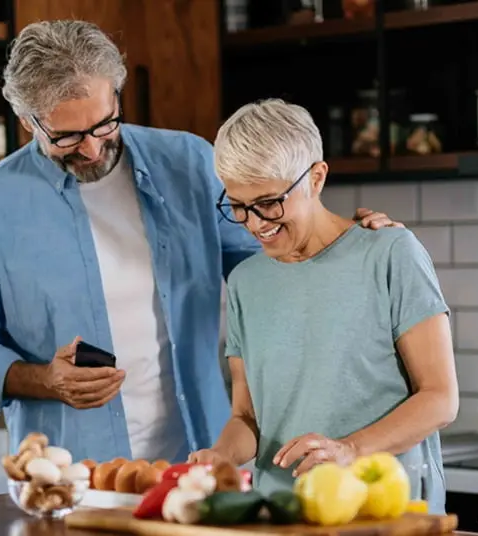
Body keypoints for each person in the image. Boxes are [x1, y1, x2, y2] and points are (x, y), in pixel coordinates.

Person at [0, 19, 402, 464]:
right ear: (27, 120)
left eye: (104, 124)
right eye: (68, 136)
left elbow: (271, 264)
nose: (93, 149)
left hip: (204, 460)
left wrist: (342, 240)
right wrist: (44, 380)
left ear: (117, 95)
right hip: (72, 474)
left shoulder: (190, 163)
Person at [188, 99, 458, 514]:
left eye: (269, 202)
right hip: (283, 512)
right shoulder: (246, 281)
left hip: (385, 513)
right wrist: (221, 455)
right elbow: (249, 417)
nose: (256, 223)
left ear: (316, 178)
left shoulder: (390, 254)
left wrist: (351, 450)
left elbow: (440, 398)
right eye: (239, 206)